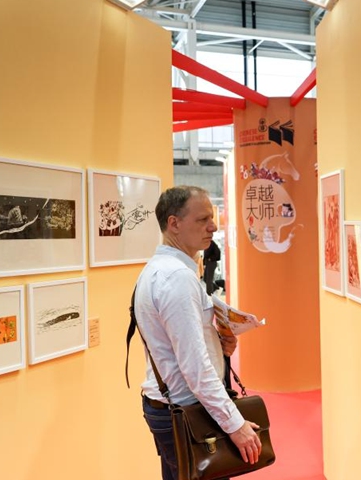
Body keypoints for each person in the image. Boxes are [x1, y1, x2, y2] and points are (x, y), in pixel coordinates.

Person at [134, 186, 261, 480]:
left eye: (212, 218)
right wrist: (235, 424)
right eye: (203, 219)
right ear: (173, 223)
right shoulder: (177, 278)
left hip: (171, 407)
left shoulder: (158, 270)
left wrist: (219, 344)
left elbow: (174, 346)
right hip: (187, 412)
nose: (213, 226)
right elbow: (195, 367)